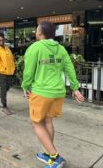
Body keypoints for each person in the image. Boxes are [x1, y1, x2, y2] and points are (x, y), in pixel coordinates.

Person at [22, 21, 85, 168]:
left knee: (36, 123)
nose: (36, 32)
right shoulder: (61, 49)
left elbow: (28, 71)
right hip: (58, 92)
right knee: (48, 122)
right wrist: (75, 88)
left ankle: (55, 157)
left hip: (41, 92)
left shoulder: (35, 47)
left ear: (41, 33)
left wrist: (25, 86)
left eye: (37, 30)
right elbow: (70, 68)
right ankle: (48, 154)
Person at [0, 33, 15, 115]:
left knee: (6, 88)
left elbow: (11, 60)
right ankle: (4, 107)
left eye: (2, 40)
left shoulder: (7, 49)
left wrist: (12, 68)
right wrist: (4, 69)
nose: (1, 41)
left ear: (4, 40)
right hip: (0, 73)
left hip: (9, 72)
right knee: (3, 89)